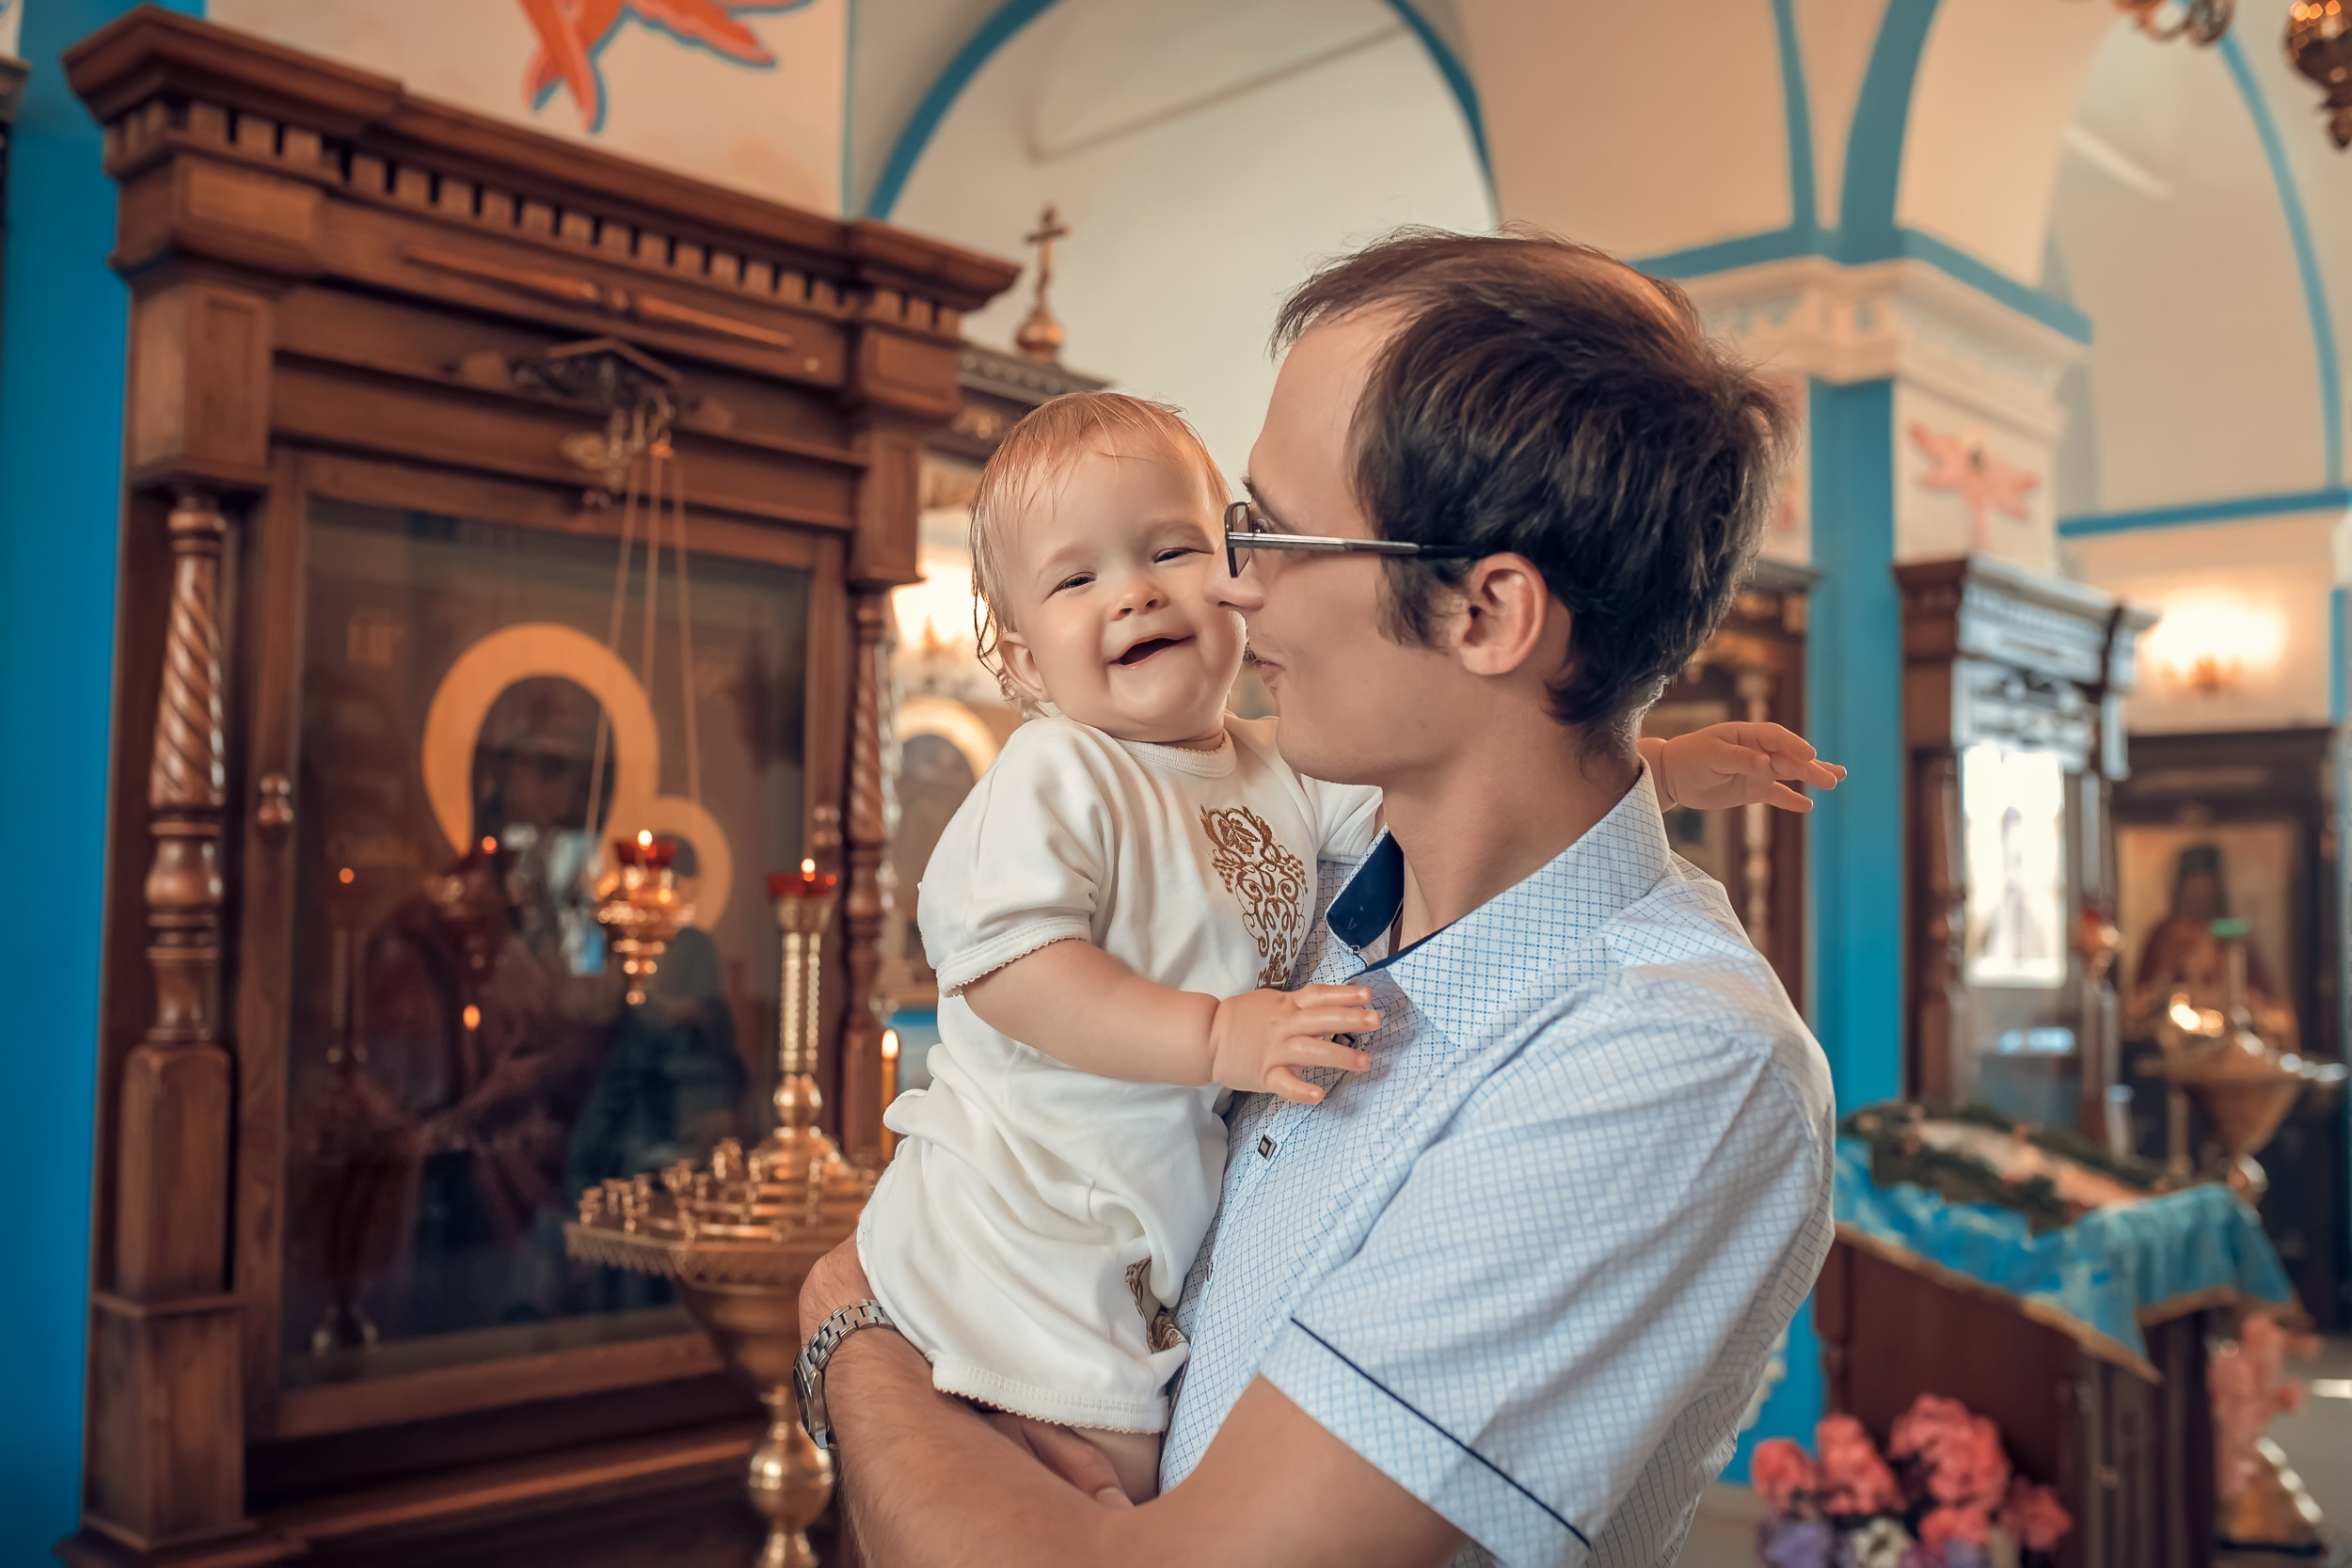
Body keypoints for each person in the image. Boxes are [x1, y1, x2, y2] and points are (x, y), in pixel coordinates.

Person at [800, 229, 1840, 1567]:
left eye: (1271, 535)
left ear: (1486, 615)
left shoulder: (1665, 1062)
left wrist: (849, 1330)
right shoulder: (1315, 873)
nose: (1230, 586)